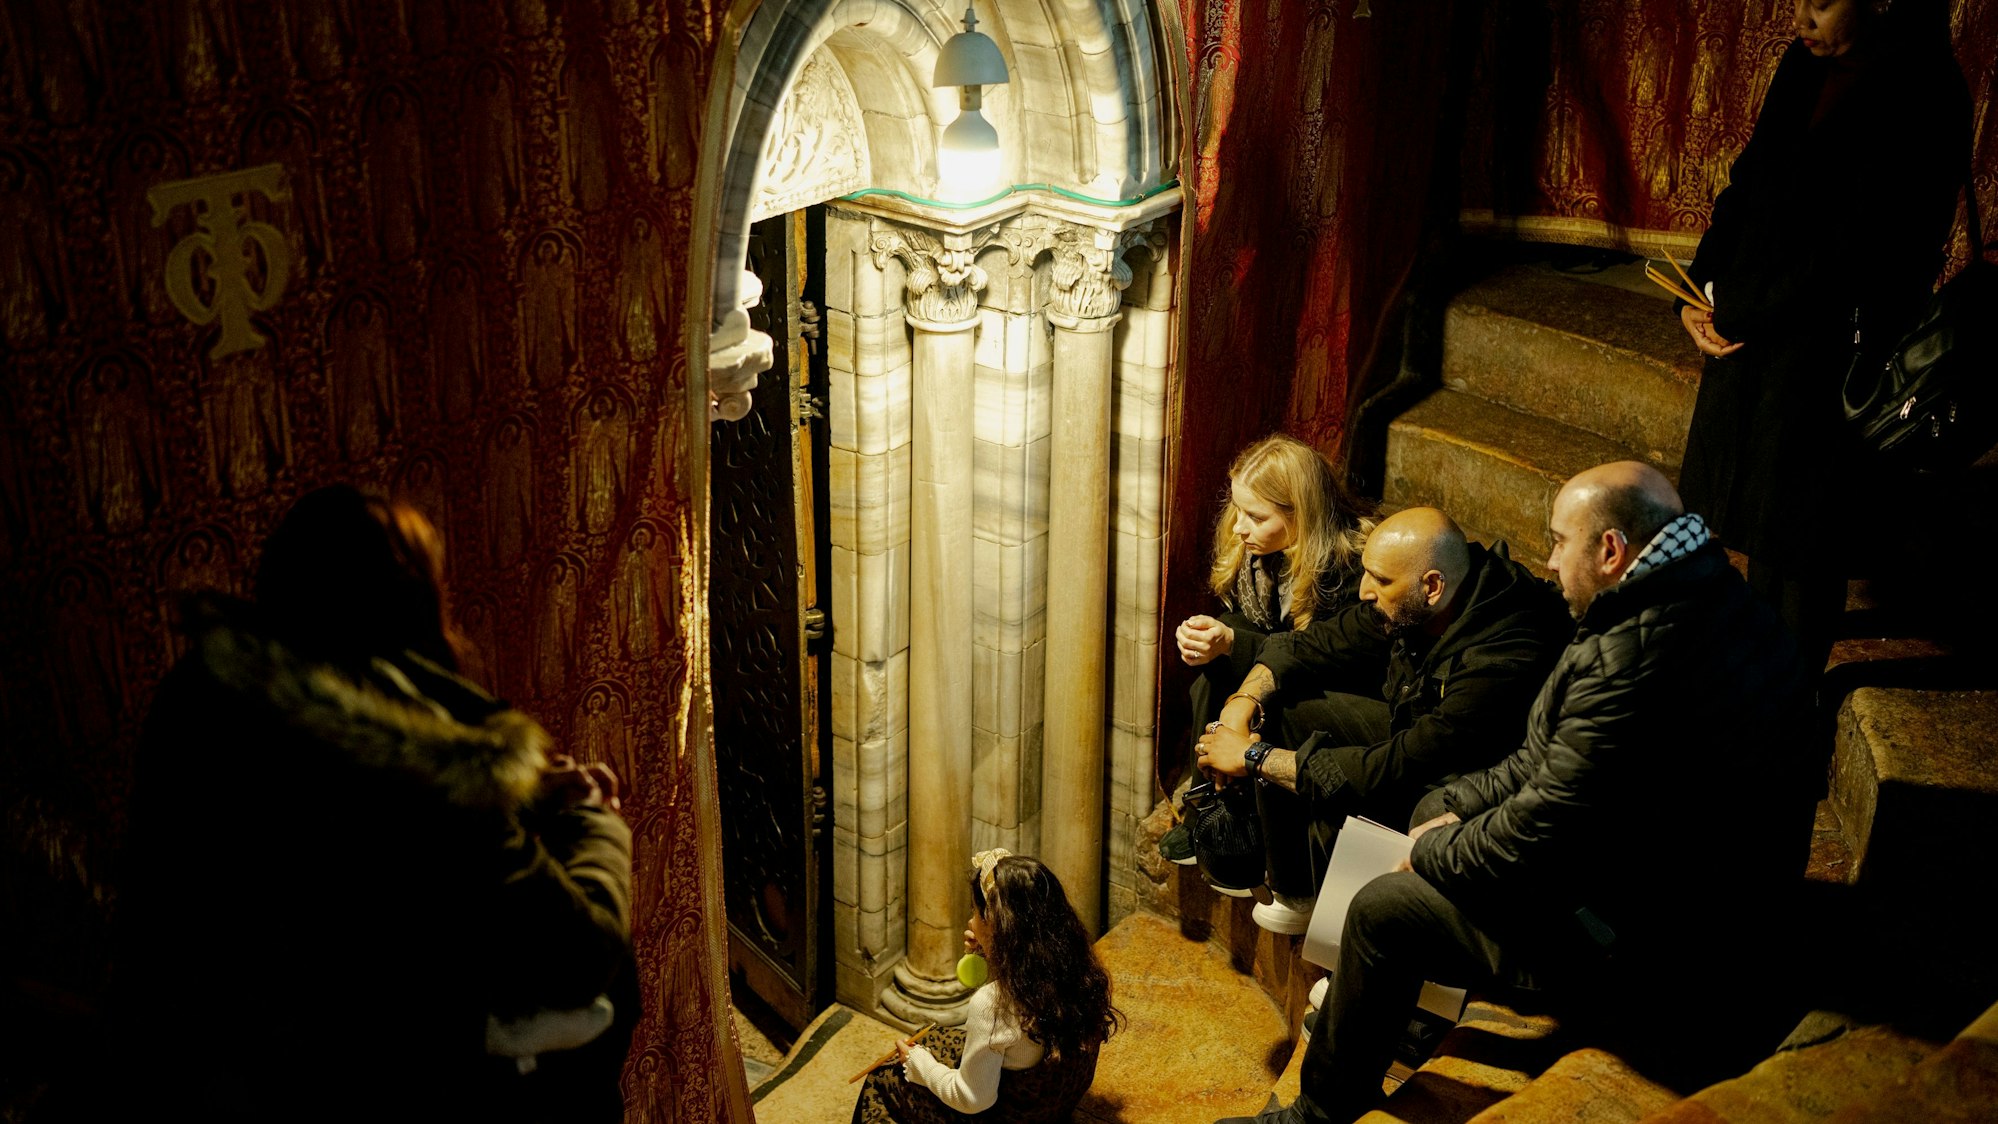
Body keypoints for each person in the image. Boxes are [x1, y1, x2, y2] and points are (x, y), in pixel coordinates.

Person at [1217, 463, 1812, 1124]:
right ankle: (1400, 1011)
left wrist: (1437, 851)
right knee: (1433, 807)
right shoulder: (1705, 598)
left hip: (1651, 932)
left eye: (1560, 542)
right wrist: (1457, 810)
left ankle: (1318, 1113)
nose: (1550, 563)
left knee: (1386, 906)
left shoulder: (1631, 656)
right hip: (1674, 876)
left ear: (1611, 551)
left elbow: (1542, 827)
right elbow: (1545, 759)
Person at [112, 486, 636, 1123]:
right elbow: (577, 956)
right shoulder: (419, 756)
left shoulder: (203, 700)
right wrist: (595, 822)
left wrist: (522, 797)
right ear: (417, 602)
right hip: (391, 1094)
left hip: (207, 1081)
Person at [1676, 0, 1971, 677]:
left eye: (1821, 4)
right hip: (1760, 327)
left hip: (1835, 344)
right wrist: (1699, 289)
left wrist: (1741, 308)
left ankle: (1787, 704)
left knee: (1806, 539)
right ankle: (1755, 669)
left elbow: (1867, 244)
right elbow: (1749, 180)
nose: (1799, 20)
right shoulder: (1804, 65)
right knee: (1759, 522)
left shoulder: (1924, 86)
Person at [1197, 507, 1568, 934]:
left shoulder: (1504, 654)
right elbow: (1311, 645)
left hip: (1472, 786)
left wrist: (1253, 756)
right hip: (1415, 738)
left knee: (1404, 798)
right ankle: (1297, 890)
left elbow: (1401, 764)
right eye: (1368, 575)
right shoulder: (1415, 597)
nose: (1365, 592)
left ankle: (1357, 946)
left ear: (1432, 586)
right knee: (1287, 704)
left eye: (1382, 581)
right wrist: (1239, 707)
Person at [1160, 434, 1378, 888]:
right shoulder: (1260, 555)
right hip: (1288, 662)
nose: (1239, 527)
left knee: (1252, 677)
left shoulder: (1349, 568)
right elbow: (1266, 632)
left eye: (1256, 517)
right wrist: (1214, 638)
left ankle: (1259, 832)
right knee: (1217, 654)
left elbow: (1315, 658)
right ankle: (1209, 798)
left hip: (1344, 687)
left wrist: (1234, 644)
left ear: (1302, 514)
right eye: (1238, 509)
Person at [855, 850, 1120, 1122]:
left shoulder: (993, 1005)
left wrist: (918, 1065)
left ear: (997, 926)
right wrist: (989, 951)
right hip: (1049, 1104)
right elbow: (1012, 1030)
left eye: (976, 913)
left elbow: (973, 1099)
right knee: (935, 1038)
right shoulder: (1078, 968)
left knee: (884, 1078)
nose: (971, 922)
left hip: (1003, 1115)